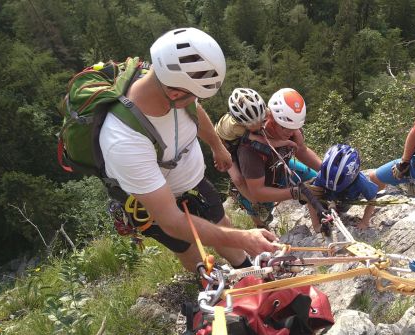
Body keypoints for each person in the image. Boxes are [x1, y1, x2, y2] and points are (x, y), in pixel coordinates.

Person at [99, 27, 278, 273]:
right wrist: (244, 238)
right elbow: (172, 221)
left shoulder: (166, 84)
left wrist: (216, 146)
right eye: (191, 96)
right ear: (174, 92)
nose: (194, 101)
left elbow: (195, 110)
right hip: (152, 203)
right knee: (186, 246)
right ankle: (209, 282)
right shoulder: (124, 142)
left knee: (219, 222)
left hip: (192, 180)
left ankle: (246, 270)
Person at [236, 88, 323, 230]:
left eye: (295, 127)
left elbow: (301, 150)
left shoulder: (291, 127)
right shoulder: (250, 150)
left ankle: (318, 227)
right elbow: (257, 192)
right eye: (285, 128)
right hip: (258, 184)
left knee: (317, 184)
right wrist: (296, 193)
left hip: (282, 168)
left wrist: (327, 170)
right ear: (271, 117)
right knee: (262, 219)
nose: (291, 132)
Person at [214, 88, 297, 206]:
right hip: (222, 143)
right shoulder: (235, 127)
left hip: (237, 135)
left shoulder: (265, 111)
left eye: (262, 121)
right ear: (242, 123)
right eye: (252, 125)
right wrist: (286, 143)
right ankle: (255, 203)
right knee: (237, 178)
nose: (258, 126)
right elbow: (263, 140)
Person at [306, 144, 379, 229]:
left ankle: (335, 211)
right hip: (326, 202)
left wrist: (364, 222)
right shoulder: (321, 176)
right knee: (311, 194)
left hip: (344, 202)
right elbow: (311, 198)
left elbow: (372, 199)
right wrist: (316, 225)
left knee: (339, 209)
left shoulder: (360, 181)